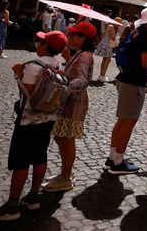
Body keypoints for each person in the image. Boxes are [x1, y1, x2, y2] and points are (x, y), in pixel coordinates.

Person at [0, 30, 66, 221]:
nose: (38, 43)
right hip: (48, 119)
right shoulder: (57, 64)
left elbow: (27, 93)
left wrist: (18, 74)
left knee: (20, 161)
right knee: (39, 156)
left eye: (41, 41)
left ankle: (12, 206)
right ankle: (33, 196)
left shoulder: (33, 65)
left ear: (46, 46)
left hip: (28, 120)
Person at [105, 6, 147, 175]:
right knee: (129, 122)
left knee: (121, 121)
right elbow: (145, 62)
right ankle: (118, 162)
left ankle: (112, 157)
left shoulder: (136, 32)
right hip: (134, 82)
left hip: (125, 78)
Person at [42, 22, 96, 192]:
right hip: (69, 101)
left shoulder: (84, 56)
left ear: (83, 38)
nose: (70, 37)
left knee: (66, 138)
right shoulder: (78, 54)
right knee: (60, 136)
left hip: (74, 102)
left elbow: (81, 80)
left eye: (73, 35)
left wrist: (63, 87)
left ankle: (66, 177)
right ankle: (66, 173)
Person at [94, 16, 118, 83]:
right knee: (107, 60)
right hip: (107, 45)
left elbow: (103, 35)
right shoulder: (112, 27)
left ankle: (102, 75)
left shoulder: (108, 26)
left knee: (106, 60)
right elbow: (113, 37)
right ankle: (102, 76)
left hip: (104, 43)